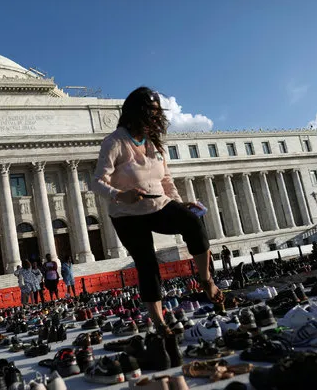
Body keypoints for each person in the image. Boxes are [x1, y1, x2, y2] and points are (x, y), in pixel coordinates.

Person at [92, 86, 223, 335]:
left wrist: (178, 201)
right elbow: (97, 181)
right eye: (149, 112)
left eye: (156, 113)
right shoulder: (115, 142)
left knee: (192, 222)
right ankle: (160, 323)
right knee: (147, 264)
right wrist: (120, 195)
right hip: (126, 214)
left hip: (157, 204)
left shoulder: (153, 143)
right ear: (135, 113)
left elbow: (166, 179)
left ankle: (206, 280)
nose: (154, 118)